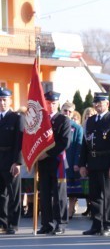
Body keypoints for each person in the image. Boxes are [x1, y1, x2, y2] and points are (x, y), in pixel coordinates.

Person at [78, 93, 110, 236]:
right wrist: (82, 164)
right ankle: (96, 224)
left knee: (109, 195)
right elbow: (85, 143)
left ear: (107, 104)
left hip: (107, 162)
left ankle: (108, 224)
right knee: (94, 195)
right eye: (95, 103)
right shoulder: (90, 121)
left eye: (101, 102)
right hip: (93, 161)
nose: (97, 105)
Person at [36, 91, 71, 235]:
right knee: (44, 194)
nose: (51, 106)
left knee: (59, 195)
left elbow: (64, 142)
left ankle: (60, 223)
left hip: (57, 162)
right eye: (48, 103)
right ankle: (46, 223)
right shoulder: (40, 120)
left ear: (57, 104)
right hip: (43, 163)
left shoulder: (63, 120)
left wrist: (47, 153)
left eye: (54, 103)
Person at [0, 88, 22, 235]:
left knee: (13, 193)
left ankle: (13, 224)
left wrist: (17, 162)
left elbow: (19, 142)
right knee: (1, 194)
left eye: (4, 100)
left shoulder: (16, 118)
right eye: (0, 100)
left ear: (10, 101)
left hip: (10, 158)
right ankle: (2, 222)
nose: (2, 103)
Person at [63, 104, 84, 219]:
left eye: (69, 112)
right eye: (65, 111)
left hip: (71, 162)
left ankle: (70, 210)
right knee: (59, 189)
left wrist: (77, 163)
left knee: (71, 190)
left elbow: (78, 147)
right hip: (58, 163)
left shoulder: (77, 128)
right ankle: (60, 209)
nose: (67, 113)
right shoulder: (55, 124)